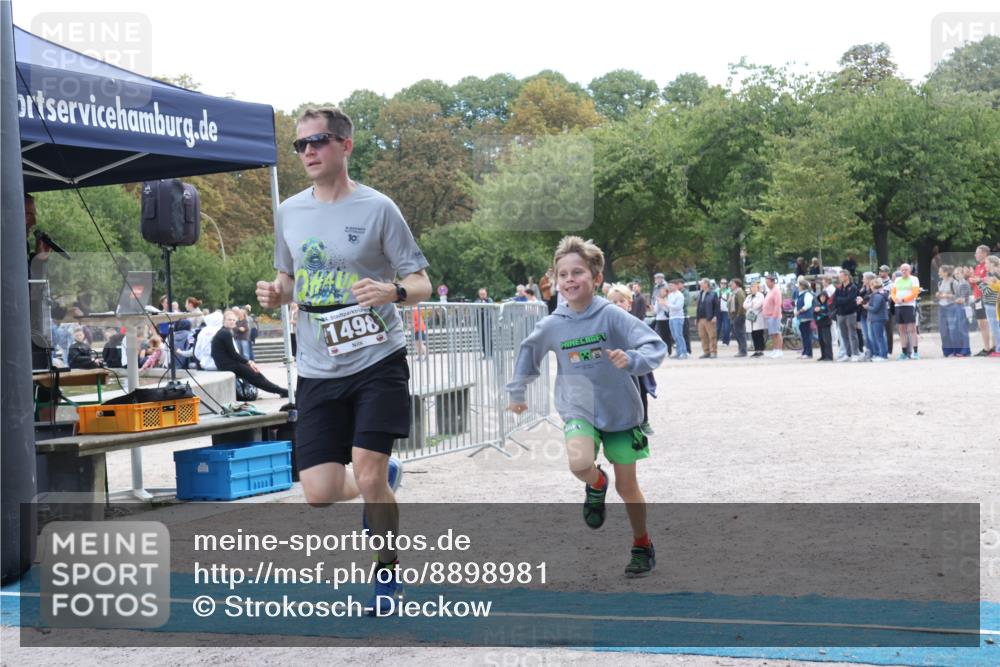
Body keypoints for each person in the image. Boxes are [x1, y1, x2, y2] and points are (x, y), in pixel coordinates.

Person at [257, 106, 432, 614]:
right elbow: (289, 280)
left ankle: (386, 575)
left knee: (368, 473)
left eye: (319, 141)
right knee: (318, 491)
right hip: (316, 365)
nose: (308, 151)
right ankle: (383, 479)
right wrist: (275, 292)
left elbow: (419, 280)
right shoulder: (289, 212)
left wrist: (393, 290)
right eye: (301, 145)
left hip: (377, 358)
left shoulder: (379, 209)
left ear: (345, 146)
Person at [506, 236, 666, 578]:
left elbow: (654, 344)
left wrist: (633, 358)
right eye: (562, 274)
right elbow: (528, 353)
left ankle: (642, 542)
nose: (569, 280)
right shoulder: (552, 324)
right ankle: (595, 484)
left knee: (628, 488)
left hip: (621, 412)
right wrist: (517, 391)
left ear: (596, 278)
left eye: (577, 272)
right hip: (578, 408)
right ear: (554, 280)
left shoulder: (611, 315)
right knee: (579, 462)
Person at [607, 283, 657, 436]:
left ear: (629, 303)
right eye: (614, 302)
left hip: (634, 366)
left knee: (640, 392)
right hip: (613, 366)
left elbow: (647, 343)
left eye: (621, 301)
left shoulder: (636, 324)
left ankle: (644, 420)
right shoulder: (606, 324)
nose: (618, 305)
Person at [210, 309, 288, 397]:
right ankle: (282, 391)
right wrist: (249, 362)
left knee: (255, 375)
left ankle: (280, 390)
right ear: (224, 321)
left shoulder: (223, 332)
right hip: (229, 365)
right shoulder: (225, 333)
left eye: (233, 320)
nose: (232, 322)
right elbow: (233, 354)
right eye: (229, 320)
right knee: (256, 376)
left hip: (226, 364)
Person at [936, 265, 969, 358]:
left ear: (946, 272)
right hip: (942, 307)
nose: (938, 273)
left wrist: (947, 295)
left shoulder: (954, 282)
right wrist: (938, 295)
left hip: (951, 307)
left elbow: (958, 296)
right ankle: (947, 351)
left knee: (953, 330)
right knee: (943, 330)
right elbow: (941, 294)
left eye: (940, 271)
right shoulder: (940, 282)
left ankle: (956, 351)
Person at [891, 263, 921, 360]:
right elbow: (893, 293)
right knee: (901, 330)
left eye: (906, 269)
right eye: (902, 269)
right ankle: (904, 352)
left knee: (912, 329)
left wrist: (904, 300)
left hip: (909, 306)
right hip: (898, 306)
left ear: (910, 270)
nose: (904, 271)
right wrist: (896, 300)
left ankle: (915, 352)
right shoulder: (897, 280)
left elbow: (915, 293)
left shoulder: (914, 279)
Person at [970, 245, 995, 355]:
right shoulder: (978, 266)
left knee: (991, 322)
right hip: (977, 297)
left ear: (984, 253)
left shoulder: (989, 266)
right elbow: (976, 282)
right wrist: (971, 277)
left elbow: (991, 280)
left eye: (977, 252)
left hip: (986, 298)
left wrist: (977, 279)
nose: (975, 255)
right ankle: (986, 348)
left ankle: (994, 347)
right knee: (982, 323)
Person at [833, 269, 861, 361]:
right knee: (844, 335)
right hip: (840, 314)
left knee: (852, 334)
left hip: (850, 313)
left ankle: (855, 353)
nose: (840, 278)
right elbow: (835, 300)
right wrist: (842, 300)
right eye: (839, 276)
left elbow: (850, 299)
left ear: (847, 276)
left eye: (841, 276)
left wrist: (842, 300)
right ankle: (848, 354)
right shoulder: (838, 288)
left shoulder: (853, 287)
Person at [865, 277, 889, 361]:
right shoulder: (876, 295)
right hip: (875, 319)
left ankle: (883, 355)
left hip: (878, 319)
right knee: (876, 337)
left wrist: (867, 307)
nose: (870, 287)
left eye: (871, 285)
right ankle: (880, 354)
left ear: (873, 285)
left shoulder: (878, 296)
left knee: (879, 337)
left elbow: (875, 308)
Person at [695, 278, 719, 358]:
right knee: (703, 336)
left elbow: (716, 307)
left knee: (712, 336)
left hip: (709, 318)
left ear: (706, 284)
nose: (700, 285)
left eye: (702, 283)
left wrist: (715, 316)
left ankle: (713, 352)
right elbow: (698, 307)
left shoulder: (713, 294)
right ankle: (706, 352)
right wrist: (697, 318)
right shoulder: (700, 294)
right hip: (700, 319)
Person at [982, 255, 1000, 357]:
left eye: (987, 263)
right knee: (995, 328)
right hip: (992, 304)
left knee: (995, 328)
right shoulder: (990, 274)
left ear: (992, 264)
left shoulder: (994, 275)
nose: (985, 265)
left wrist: (980, 282)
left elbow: (987, 291)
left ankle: (999, 349)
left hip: (993, 304)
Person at [761, 274, 783, 358]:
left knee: (777, 333)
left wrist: (775, 315)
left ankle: (779, 350)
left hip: (774, 316)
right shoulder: (771, 290)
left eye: (767, 281)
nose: (766, 283)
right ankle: (775, 349)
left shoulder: (776, 290)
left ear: (772, 281)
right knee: (773, 334)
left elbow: (778, 304)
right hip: (769, 316)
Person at [793, 277, 815, 359]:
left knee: (807, 336)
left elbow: (808, 305)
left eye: (799, 286)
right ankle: (805, 351)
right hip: (801, 318)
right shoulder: (800, 294)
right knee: (803, 335)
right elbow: (796, 304)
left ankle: (808, 353)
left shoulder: (807, 294)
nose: (798, 287)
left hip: (806, 317)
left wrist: (800, 311)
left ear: (802, 286)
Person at [667, 280, 689, 359]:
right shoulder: (670, 295)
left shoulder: (680, 295)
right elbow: (668, 307)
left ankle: (683, 352)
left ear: (676, 286)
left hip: (678, 317)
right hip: (671, 317)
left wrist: (667, 304)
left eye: (671, 285)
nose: (670, 287)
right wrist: (662, 304)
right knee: (674, 336)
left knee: (679, 335)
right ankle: (678, 351)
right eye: (669, 286)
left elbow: (678, 307)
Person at [744, 281, 766, 357]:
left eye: (754, 287)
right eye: (751, 287)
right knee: (753, 334)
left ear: (757, 288)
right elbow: (744, 305)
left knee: (759, 334)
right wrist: (751, 305)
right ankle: (756, 350)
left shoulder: (760, 295)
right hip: (750, 318)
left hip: (758, 317)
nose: (752, 288)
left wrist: (750, 306)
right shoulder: (749, 296)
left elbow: (758, 305)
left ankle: (761, 350)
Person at [877, 265, 895, 356]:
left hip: (887, 308)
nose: (881, 273)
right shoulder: (877, 282)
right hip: (878, 308)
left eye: (883, 271)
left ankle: (889, 349)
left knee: (888, 330)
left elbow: (890, 297)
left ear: (887, 272)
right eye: (880, 271)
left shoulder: (891, 284)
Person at [813, 290, 834, 361]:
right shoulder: (818, 305)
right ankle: (823, 355)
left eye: (824, 297)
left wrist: (820, 311)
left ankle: (829, 356)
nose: (822, 298)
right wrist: (816, 313)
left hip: (826, 324)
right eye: (821, 297)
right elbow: (814, 315)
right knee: (821, 340)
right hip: (820, 324)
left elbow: (829, 314)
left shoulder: (828, 305)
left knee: (827, 340)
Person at [729, 278, 748, 357]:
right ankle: (741, 349)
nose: (730, 285)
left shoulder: (739, 292)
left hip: (739, 316)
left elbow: (742, 304)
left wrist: (738, 315)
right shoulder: (733, 293)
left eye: (732, 284)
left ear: (736, 284)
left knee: (740, 333)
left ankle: (743, 350)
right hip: (734, 316)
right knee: (736, 334)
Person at [652, 284, 672, 357]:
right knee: (661, 336)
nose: (661, 293)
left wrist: (663, 304)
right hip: (659, 319)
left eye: (663, 292)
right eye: (661, 292)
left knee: (667, 336)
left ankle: (669, 351)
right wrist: (658, 303)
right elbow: (656, 311)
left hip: (666, 319)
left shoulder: (668, 299)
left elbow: (667, 310)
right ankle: (663, 351)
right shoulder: (658, 299)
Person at [475, 287, 494, 359]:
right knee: (482, 338)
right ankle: (485, 353)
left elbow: (491, 305)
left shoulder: (489, 300)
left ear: (486, 294)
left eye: (483, 294)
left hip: (488, 321)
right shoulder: (477, 301)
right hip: (480, 322)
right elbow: (476, 306)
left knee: (489, 337)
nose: (482, 295)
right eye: (481, 294)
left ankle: (490, 353)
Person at [716, 278, 732, 347]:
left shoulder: (729, 291)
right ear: (720, 284)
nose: (723, 284)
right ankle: (714, 341)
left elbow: (730, 300)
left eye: (725, 283)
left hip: (726, 311)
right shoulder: (716, 290)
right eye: (722, 283)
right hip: (718, 311)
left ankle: (726, 341)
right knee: (717, 327)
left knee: (726, 327)